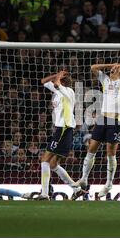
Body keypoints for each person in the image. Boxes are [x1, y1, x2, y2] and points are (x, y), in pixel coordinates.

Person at [74, 63, 120, 199]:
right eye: (111, 70)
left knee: (110, 154)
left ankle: (109, 184)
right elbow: (93, 67)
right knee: (91, 149)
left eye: (114, 70)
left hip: (114, 121)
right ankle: (84, 178)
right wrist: (110, 65)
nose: (112, 71)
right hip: (102, 118)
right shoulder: (105, 80)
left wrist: (118, 66)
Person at [34, 70, 86, 201]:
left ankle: (44, 194)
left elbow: (56, 84)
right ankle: (77, 189)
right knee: (52, 164)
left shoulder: (68, 92)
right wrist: (56, 74)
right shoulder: (58, 92)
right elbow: (43, 81)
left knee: (45, 160)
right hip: (61, 130)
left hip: (64, 129)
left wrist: (58, 77)